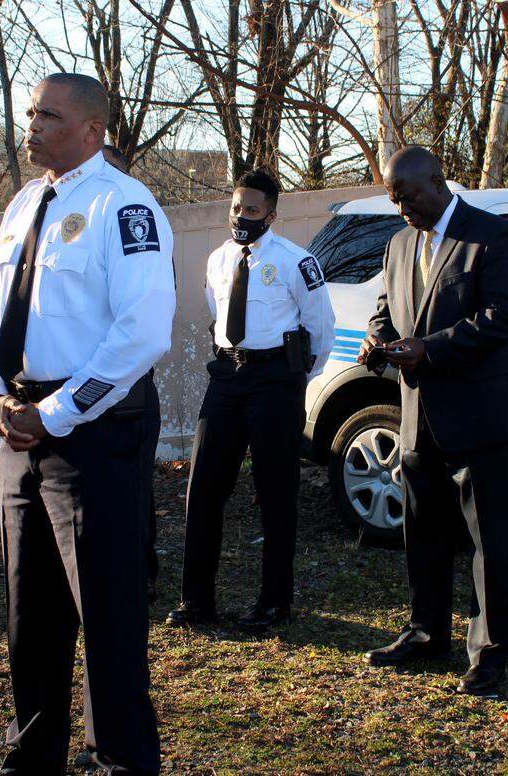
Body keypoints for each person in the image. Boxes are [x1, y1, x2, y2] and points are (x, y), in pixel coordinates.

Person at [0, 73, 175, 775]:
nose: (31, 124)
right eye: (30, 111)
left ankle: (120, 759)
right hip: (19, 426)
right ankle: (33, 758)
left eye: (47, 115)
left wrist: (53, 414)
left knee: (108, 615)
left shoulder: (126, 207)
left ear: (92, 130)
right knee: (31, 614)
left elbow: (141, 333)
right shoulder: (26, 203)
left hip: (94, 431)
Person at [357, 146, 508, 697]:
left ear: (437, 180)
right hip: (417, 414)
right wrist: (378, 339)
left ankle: (489, 654)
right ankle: (427, 632)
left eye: (407, 196)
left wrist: (427, 350)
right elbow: (387, 307)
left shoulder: (492, 237)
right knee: (423, 531)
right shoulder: (400, 242)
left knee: (489, 540)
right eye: (393, 199)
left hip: (478, 414)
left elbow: (505, 318)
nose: (401, 207)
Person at [166, 168, 335, 631]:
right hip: (226, 377)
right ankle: (196, 601)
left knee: (276, 492)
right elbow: (216, 311)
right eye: (236, 208)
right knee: (202, 489)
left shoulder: (296, 261)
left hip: (275, 380)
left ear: (272, 215)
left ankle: (274, 602)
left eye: (252, 211)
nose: (241, 217)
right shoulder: (218, 259)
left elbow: (321, 326)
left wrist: (296, 375)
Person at [101, 140, 162, 604]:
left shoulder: (136, 218)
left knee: (133, 489)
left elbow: (145, 320)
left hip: (128, 389)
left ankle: (139, 568)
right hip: (64, 396)